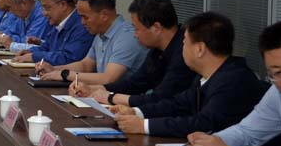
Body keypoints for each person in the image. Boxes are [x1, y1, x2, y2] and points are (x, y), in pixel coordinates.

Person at [110, 12, 267, 136]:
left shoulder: (234, 80)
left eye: (184, 43)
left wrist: (143, 126)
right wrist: (136, 112)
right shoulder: (207, 76)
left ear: (200, 49)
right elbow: (178, 105)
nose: (181, 49)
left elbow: (203, 124)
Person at [73, 0, 195, 106]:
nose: (135, 35)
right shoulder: (157, 49)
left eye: (137, 29)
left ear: (156, 28)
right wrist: (96, 89)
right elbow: (135, 83)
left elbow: (161, 98)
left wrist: (111, 97)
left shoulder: (185, 52)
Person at [38, 0, 146, 87]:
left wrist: (65, 74)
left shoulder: (127, 36)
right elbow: (85, 65)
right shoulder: (100, 33)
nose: (82, 22)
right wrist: (54, 69)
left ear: (104, 15)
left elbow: (108, 79)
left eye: (85, 17)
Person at [12, 0, 93, 66]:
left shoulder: (82, 26)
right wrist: (30, 52)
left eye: (47, 8)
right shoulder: (57, 24)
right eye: (43, 8)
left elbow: (69, 58)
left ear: (63, 5)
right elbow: (46, 47)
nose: (44, 13)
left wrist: (34, 56)